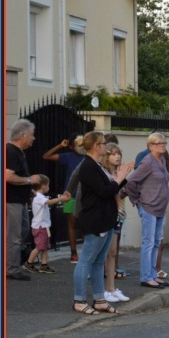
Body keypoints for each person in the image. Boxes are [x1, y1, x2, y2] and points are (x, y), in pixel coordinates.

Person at [73, 132, 134, 315]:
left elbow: (110, 188)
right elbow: (105, 191)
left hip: (106, 219)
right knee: (86, 261)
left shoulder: (97, 166)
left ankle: (99, 298)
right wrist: (120, 177)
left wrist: (121, 177)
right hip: (95, 220)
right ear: (95, 147)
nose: (104, 146)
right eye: (102, 143)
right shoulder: (88, 167)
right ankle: (79, 299)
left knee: (99, 262)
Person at [126, 132, 169, 289]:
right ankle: (146, 277)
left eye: (164, 143)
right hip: (149, 206)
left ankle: (153, 274)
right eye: (159, 143)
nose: (163, 145)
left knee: (156, 243)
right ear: (151, 146)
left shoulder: (163, 160)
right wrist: (137, 200)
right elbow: (131, 181)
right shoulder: (147, 162)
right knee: (148, 242)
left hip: (160, 207)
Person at [6, 119, 41, 281]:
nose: (33, 138)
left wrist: (30, 190)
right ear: (23, 135)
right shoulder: (11, 152)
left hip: (19, 200)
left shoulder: (17, 152)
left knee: (22, 231)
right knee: (14, 235)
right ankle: (11, 269)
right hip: (11, 201)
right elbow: (8, 176)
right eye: (32, 135)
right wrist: (29, 181)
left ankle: (11, 264)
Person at [42, 133, 85, 263]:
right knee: (72, 224)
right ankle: (73, 253)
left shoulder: (89, 156)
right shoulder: (68, 157)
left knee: (86, 224)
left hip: (87, 195)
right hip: (70, 195)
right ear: (71, 147)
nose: (80, 146)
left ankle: (87, 253)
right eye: (77, 144)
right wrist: (60, 146)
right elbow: (46, 156)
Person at [101, 143, 130, 303]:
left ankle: (111, 288)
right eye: (113, 154)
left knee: (112, 252)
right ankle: (103, 290)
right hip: (106, 216)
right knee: (103, 253)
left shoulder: (117, 173)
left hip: (116, 216)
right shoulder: (103, 173)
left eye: (118, 153)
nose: (117, 156)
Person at [22, 175, 69, 274]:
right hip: (40, 226)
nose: (48, 187)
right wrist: (61, 199)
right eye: (48, 185)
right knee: (39, 246)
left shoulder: (38, 197)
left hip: (43, 226)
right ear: (43, 186)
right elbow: (49, 202)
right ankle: (29, 263)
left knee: (45, 246)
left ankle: (44, 264)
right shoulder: (39, 197)